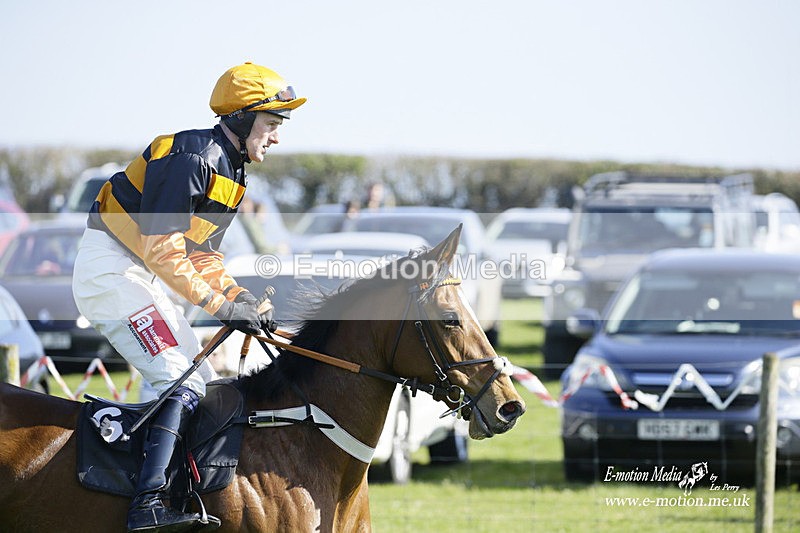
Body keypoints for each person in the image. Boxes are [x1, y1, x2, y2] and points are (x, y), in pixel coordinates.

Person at [72, 62, 305, 533]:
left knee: (192, 383)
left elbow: (200, 256)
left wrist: (242, 298)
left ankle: (159, 490)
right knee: (181, 380)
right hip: (112, 271)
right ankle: (146, 506)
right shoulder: (192, 157)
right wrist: (223, 309)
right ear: (241, 118)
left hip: (141, 276)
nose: (277, 137)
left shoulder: (232, 174)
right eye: (271, 123)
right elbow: (163, 249)